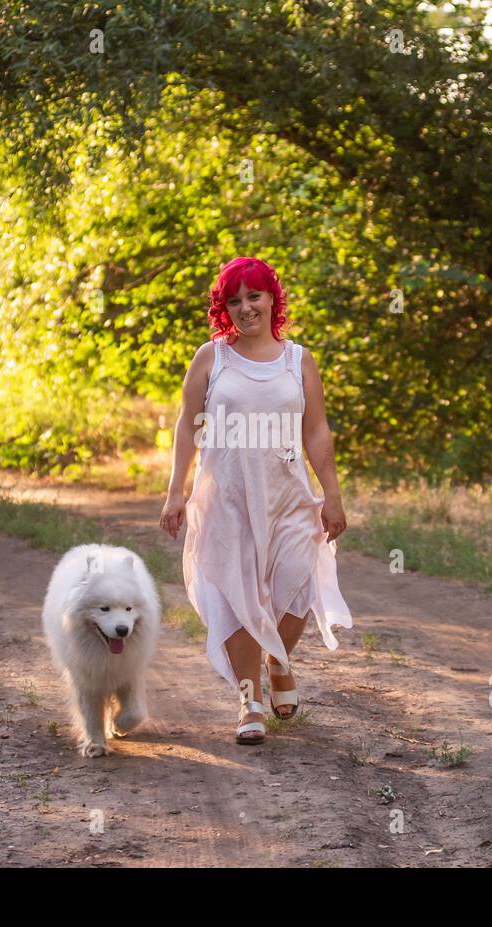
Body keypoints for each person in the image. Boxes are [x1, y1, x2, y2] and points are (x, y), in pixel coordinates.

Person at [159, 256, 353, 744]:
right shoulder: (212, 358)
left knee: (298, 583)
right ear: (225, 307)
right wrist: (175, 493)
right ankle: (249, 699)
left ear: (272, 299)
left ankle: (278, 661)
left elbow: (316, 429)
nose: (246, 308)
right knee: (235, 595)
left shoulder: (297, 360)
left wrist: (331, 494)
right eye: (235, 300)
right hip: (225, 496)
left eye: (254, 296)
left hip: (288, 495)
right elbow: (187, 425)